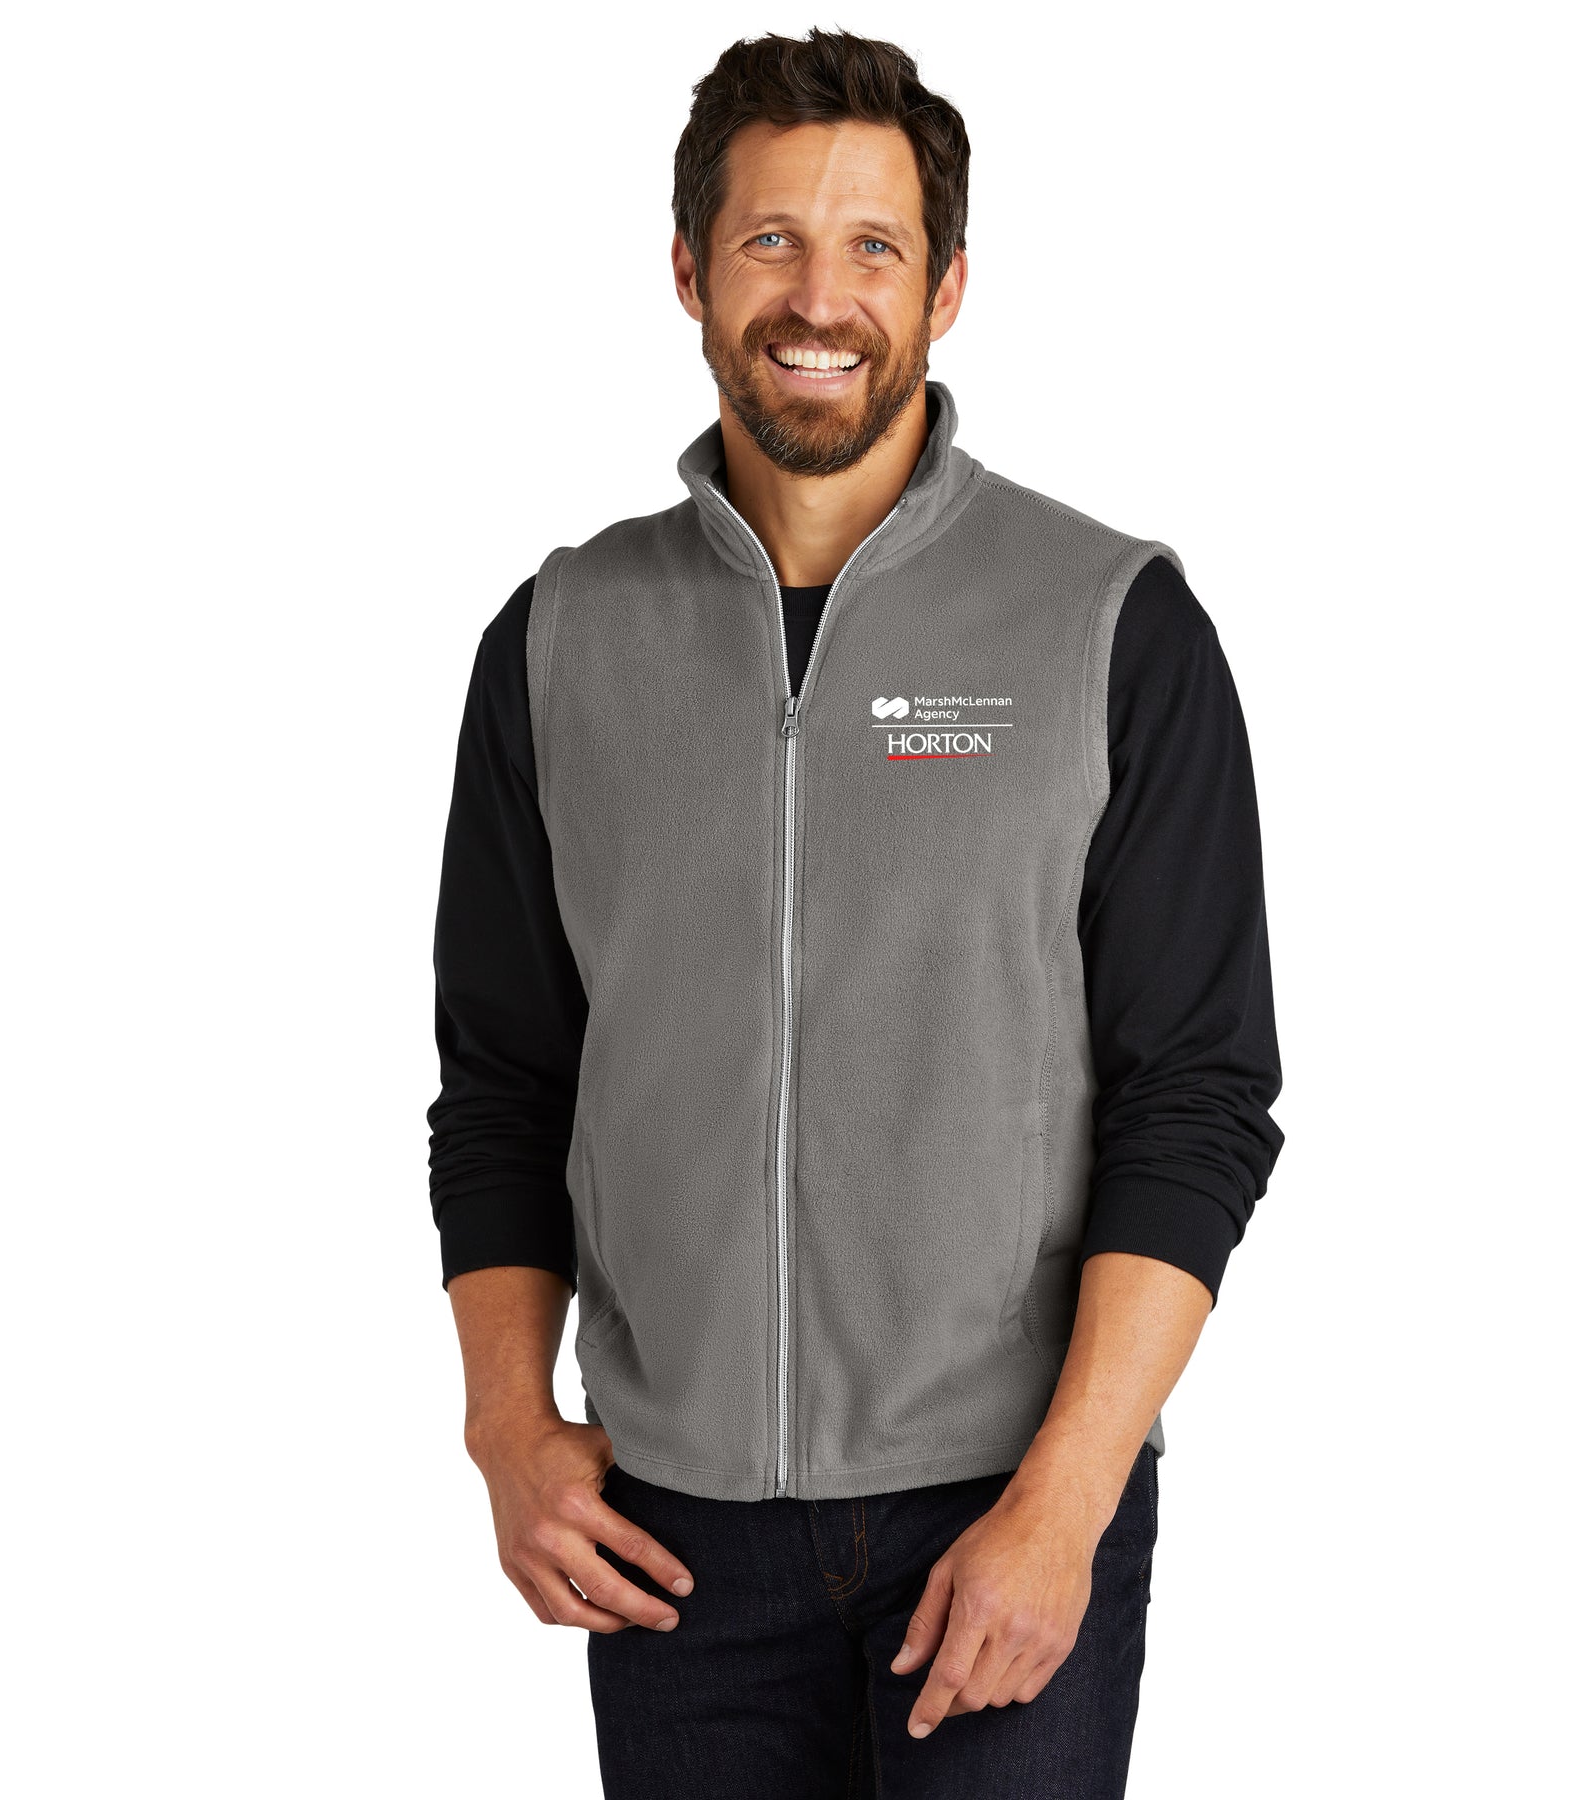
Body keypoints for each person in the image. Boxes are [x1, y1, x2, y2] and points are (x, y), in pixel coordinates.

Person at [427, 27, 1284, 1798]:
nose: (821, 299)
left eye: (874, 247)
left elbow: (1199, 1099)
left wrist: (1067, 1502)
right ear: (689, 269)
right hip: (669, 1543)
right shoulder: (560, 643)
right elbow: (504, 1084)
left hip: (1005, 1512)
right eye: (771, 241)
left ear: (947, 287)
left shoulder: (1111, 624)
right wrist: (509, 1425)